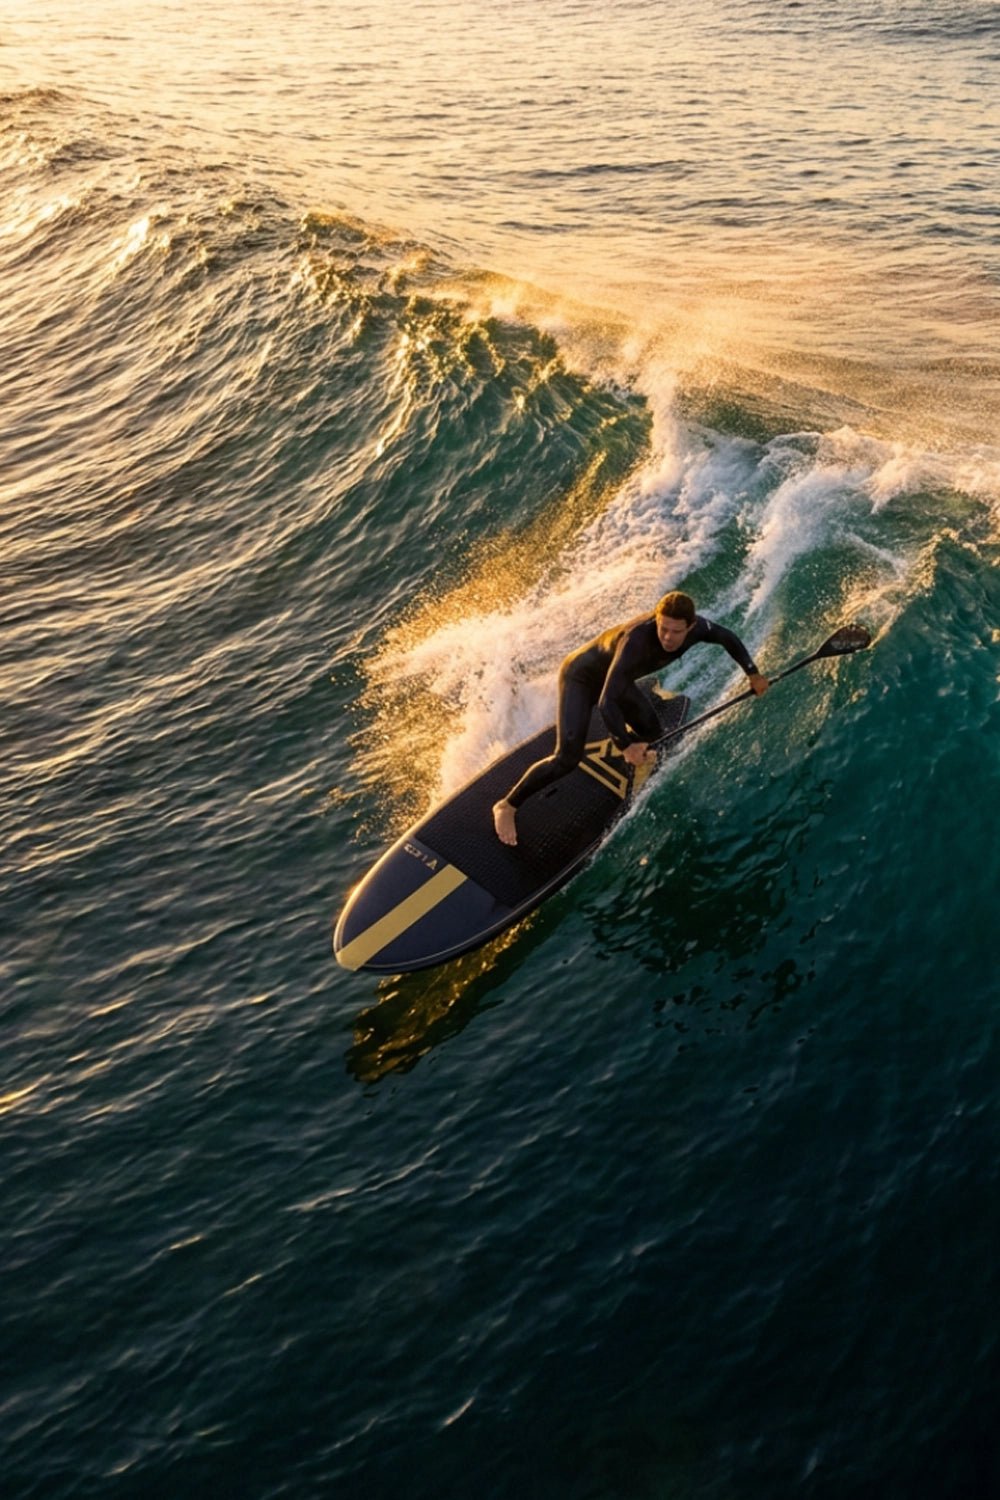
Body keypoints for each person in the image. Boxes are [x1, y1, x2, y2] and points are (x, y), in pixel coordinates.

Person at [492, 591, 769, 846]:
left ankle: (628, 745)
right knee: (567, 758)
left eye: (676, 631)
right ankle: (508, 805)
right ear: (657, 620)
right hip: (582, 678)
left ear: (691, 626)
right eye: (663, 628)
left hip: (619, 680)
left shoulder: (701, 629)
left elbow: (727, 638)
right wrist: (625, 746)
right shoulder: (636, 641)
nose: (668, 638)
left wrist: (753, 673)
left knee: (653, 732)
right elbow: (606, 701)